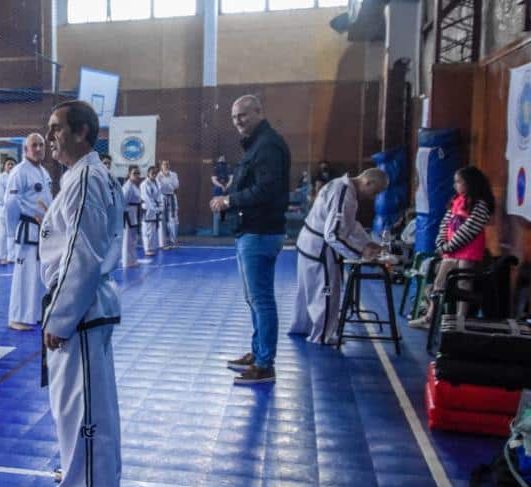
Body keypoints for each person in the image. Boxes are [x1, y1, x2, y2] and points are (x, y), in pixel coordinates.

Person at [27, 100, 123, 487]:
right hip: (87, 305)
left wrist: (60, 317)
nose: (50, 138)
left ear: (81, 132)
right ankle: (86, 477)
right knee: (86, 402)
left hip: (80, 308)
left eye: (56, 129)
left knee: (78, 404)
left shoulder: (85, 178)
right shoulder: (82, 176)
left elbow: (82, 254)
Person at [210, 94, 290, 385]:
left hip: (260, 231)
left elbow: (267, 190)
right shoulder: (257, 145)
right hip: (251, 231)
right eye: (234, 118)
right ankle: (258, 353)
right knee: (254, 299)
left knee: (262, 300)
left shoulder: (268, 145)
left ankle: (265, 363)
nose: (238, 122)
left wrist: (229, 200)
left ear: (259, 111)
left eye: (243, 115)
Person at [289, 169, 388, 344]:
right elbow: (333, 234)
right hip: (320, 249)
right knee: (326, 293)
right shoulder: (344, 193)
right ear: (367, 182)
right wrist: (360, 254)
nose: (374, 197)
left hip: (309, 244)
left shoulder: (339, 185)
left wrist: (366, 242)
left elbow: (349, 224)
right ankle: (322, 336)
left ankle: (302, 327)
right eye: (375, 192)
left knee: (307, 290)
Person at [408, 166, 495, 329]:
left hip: (468, 253)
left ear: (470, 183)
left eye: (458, 181)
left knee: (464, 282)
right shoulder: (456, 200)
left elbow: (469, 229)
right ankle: (430, 316)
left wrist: (447, 247)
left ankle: (461, 319)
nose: (455, 185)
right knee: (440, 281)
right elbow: (444, 224)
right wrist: (441, 244)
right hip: (451, 252)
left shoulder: (480, 205)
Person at [6, 134, 52, 331]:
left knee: (39, 274)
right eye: (34, 145)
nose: (39, 148)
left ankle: (35, 313)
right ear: (26, 149)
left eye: (41, 145)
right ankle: (17, 317)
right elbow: (11, 204)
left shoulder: (43, 171)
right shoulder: (19, 172)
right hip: (27, 228)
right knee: (24, 274)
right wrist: (13, 230)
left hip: (43, 229)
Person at [0, 157, 16, 265]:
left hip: (14, 209)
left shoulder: (17, 178)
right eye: (9, 164)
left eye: (12, 164)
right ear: (4, 166)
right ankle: (2, 257)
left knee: (12, 233)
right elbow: (0, 195)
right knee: (2, 234)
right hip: (2, 208)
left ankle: (12, 256)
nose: (11, 166)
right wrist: (10, 203)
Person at [121, 166, 143, 268]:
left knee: (132, 239)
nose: (137, 175)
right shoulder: (127, 186)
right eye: (134, 173)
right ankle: (127, 262)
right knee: (127, 239)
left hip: (134, 212)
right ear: (129, 174)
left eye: (138, 173)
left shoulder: (134, 185)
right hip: (128, 214)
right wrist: (124, 217)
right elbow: (122, 203)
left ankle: (132, 260)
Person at [140, 165, 163, 256]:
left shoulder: (156, 182)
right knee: (147, 229)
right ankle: (147, 249)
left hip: (155, 208)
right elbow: (147, 198)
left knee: (153, 228)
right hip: (148, 208)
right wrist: (156, 209)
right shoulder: (144, 184)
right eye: (152, 173)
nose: (154, 174)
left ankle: (152, 247)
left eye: (155, 173)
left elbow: (159, 196)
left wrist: (160, 207)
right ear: (148, 174)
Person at [157, 160, 180, 249]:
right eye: (164, 164)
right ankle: (163, 243)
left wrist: (167, 185)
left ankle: (174, 241)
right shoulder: (158, 175)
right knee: (162, 221)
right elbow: (160, 187)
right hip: (162, 198)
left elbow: (176, 185)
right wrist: (170, 185)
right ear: (161, 166)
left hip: (172, 197)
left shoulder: (174, 174)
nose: (166, 166)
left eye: (167, 164)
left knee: (173, 220)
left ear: (169, 166)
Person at [211, 155, 233, 236]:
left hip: (217, 192)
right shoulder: (229, 167)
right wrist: (226, 186)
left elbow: (213, 180)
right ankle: (230, 231)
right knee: (227, 208)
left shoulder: (215, 168)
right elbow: (231, 178)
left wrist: (220, 186)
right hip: (226, 192)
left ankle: (215, 233)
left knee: (216, 210)